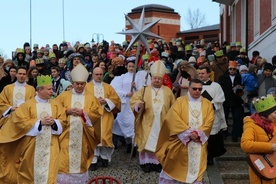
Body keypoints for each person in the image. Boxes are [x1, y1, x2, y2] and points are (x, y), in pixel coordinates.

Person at [0, 74, 67, 183]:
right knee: (29, 174)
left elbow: (63, 121)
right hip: (31, 146)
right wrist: (40, 122)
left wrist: (54, 122)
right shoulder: (27, 105)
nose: (52, 91)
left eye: (52, 89)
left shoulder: (56, 104)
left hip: (51, 146)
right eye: (49, 89)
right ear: (40, 90)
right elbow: (19, 122)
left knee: (50, 175)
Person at [156, 78, 215, 184]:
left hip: (198, 143)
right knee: (175, 168)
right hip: (181, 142)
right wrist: (187, 132)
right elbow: (172, 118)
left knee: (196, 172)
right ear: (189, 88)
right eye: (194, 88)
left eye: (199, 89)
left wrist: (198, 134)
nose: (197, 91)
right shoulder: (179, 101)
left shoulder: (207, 103)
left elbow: (210, 120)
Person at [55, 64, 102, 183]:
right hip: (65, 135)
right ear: (73, 83)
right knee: (63, 159)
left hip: (83, 136)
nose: (80, 86)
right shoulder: (63, 96)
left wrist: (83, 113)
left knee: (80, 160)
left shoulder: (91, 98)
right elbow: (54, 110)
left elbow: (97, 114)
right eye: (77, 83)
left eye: (82, 84)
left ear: (85, 84)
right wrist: (66, 111)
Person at [130, 60, 175, 173]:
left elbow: (173, 106)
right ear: (152, 78)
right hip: (147, 120)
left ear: (162, 79)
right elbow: (134, 100)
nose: (156, 80)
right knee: (146, 141)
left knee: (160, 142)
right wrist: (138, 105)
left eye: (159, 79)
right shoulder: (144, 90)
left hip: (162, 121)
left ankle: (158, 163)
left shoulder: (168, 91)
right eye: (155, 78)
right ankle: (146, 163)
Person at [86, 67, 121, 171]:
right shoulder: (86, 87)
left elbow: (116, 100)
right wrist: (95, 102)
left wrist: (106, 101)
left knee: (105, 137)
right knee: (93, 138)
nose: (99, 76)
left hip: (105, 115)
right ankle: (93, 160)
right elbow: (83, 100)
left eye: (101, 74)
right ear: (92, 75)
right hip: (92, 117)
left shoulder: (108, 87)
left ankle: (104, 157)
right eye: (97, 74)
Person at [241, 94, 276, 184]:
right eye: (275, 113)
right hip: (261, 168)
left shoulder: (273, 125)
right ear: (266, 114)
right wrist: (271, 147)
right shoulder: (251, 125)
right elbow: (245, 144)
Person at [198, 66, 227, 165]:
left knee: (212, 138)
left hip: (212, 115)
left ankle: (210, 157)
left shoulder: (216, 86)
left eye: (203, 73)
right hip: (199, 116)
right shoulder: (196, 86)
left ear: (208, 74)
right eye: (200, 73)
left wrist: (209, 107)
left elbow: (219, 100)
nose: (201, 75)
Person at [218, 61, 244, 142]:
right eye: (230, 69)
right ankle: (224, 133)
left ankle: (235, 135)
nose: (232, 71)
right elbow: (219, 89)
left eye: (233, 69)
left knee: (237, 118)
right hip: (225, 100)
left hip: (236, 100)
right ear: (228, 69)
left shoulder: (239, 77)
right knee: (224, 118)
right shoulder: (223, 77)